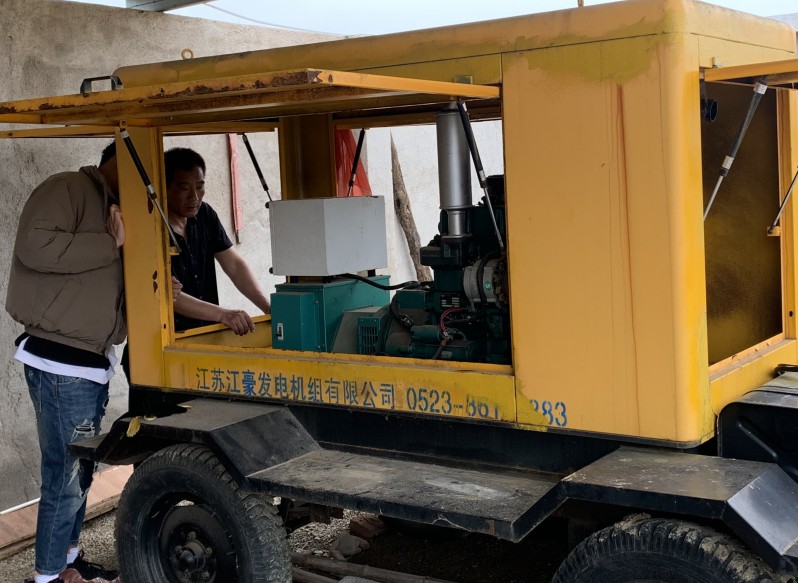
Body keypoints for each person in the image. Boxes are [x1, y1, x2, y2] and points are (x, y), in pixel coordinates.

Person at [6, 142, 125, 583]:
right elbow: (34, 245)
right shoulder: (69, 188)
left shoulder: (115, 206)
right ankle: (49, 576)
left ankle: (69, 562)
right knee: (65, 473)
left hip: (90, 359)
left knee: (81, 470)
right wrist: (109, 243)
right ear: (118, 160)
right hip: (60, 360)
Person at [166, 147, 270, 334]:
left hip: (207, 335)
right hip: (166, 338)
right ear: (163, 187)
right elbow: (166, 294)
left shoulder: (205, 214)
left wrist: (267, 307)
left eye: (200, 187)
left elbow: (235, 266)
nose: (194, 197)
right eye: (184, 188)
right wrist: (223, 314)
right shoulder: (150, 228)